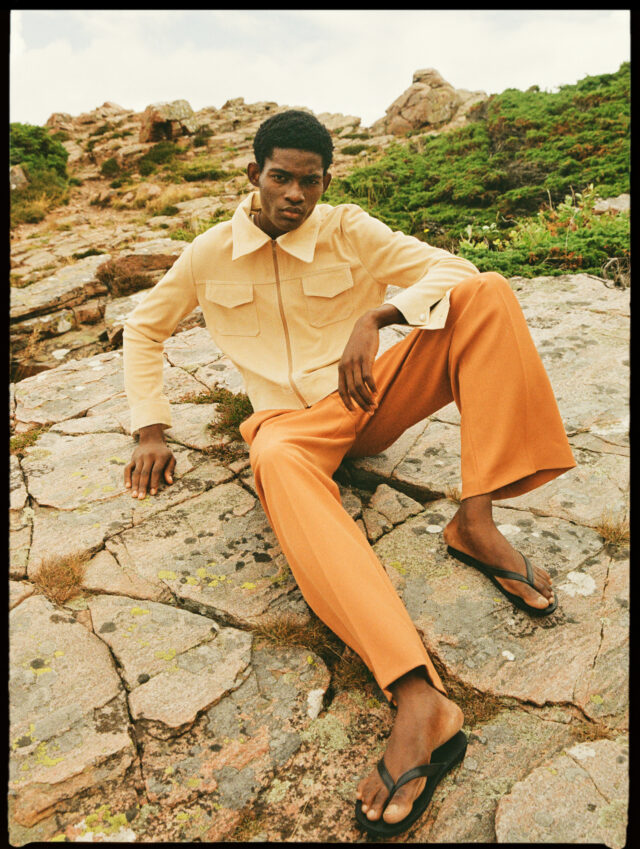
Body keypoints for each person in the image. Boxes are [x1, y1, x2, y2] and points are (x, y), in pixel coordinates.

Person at [122, 109, 576, 837]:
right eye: (281, 177)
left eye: (310, 180)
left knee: (487, 290)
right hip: (291, 431)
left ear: (325, 181)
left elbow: (451, 270)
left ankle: (475, 519)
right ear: (253, 174)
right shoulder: (208, 253)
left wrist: (381, 313)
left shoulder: (347, 228)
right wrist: (150, 427)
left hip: (368, 401)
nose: (295, 194)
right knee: (273, 456)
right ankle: (417, 694)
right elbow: (144, 326)